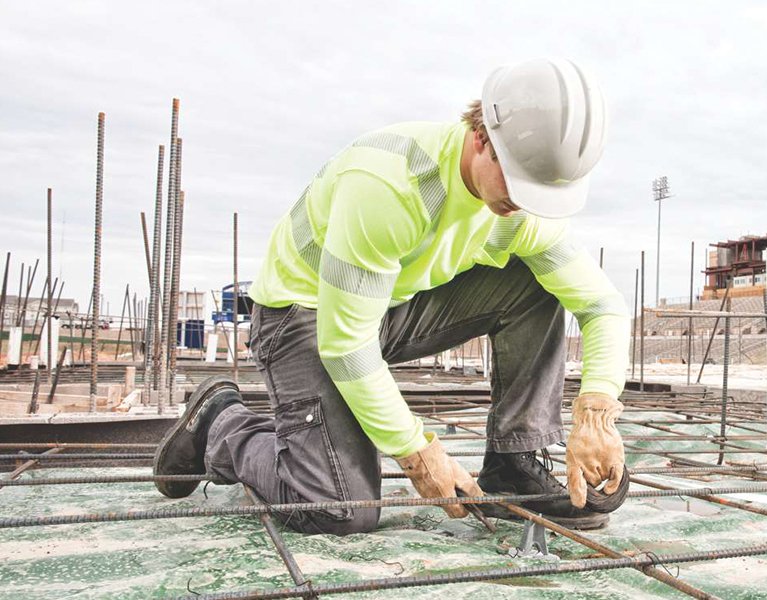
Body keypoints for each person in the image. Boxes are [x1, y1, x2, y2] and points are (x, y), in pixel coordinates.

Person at [152, 58, 631, 533]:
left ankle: (513, 462)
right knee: (340, 508)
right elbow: (346, 343)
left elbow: (600, 305)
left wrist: (596, 413)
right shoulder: (393, 185)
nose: (526, 202)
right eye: (519, 180)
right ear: (482, 136)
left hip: (384, 308)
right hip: (300, 313)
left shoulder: (521, 210)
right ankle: (223, 424)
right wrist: (417, 450)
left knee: (533, 285)